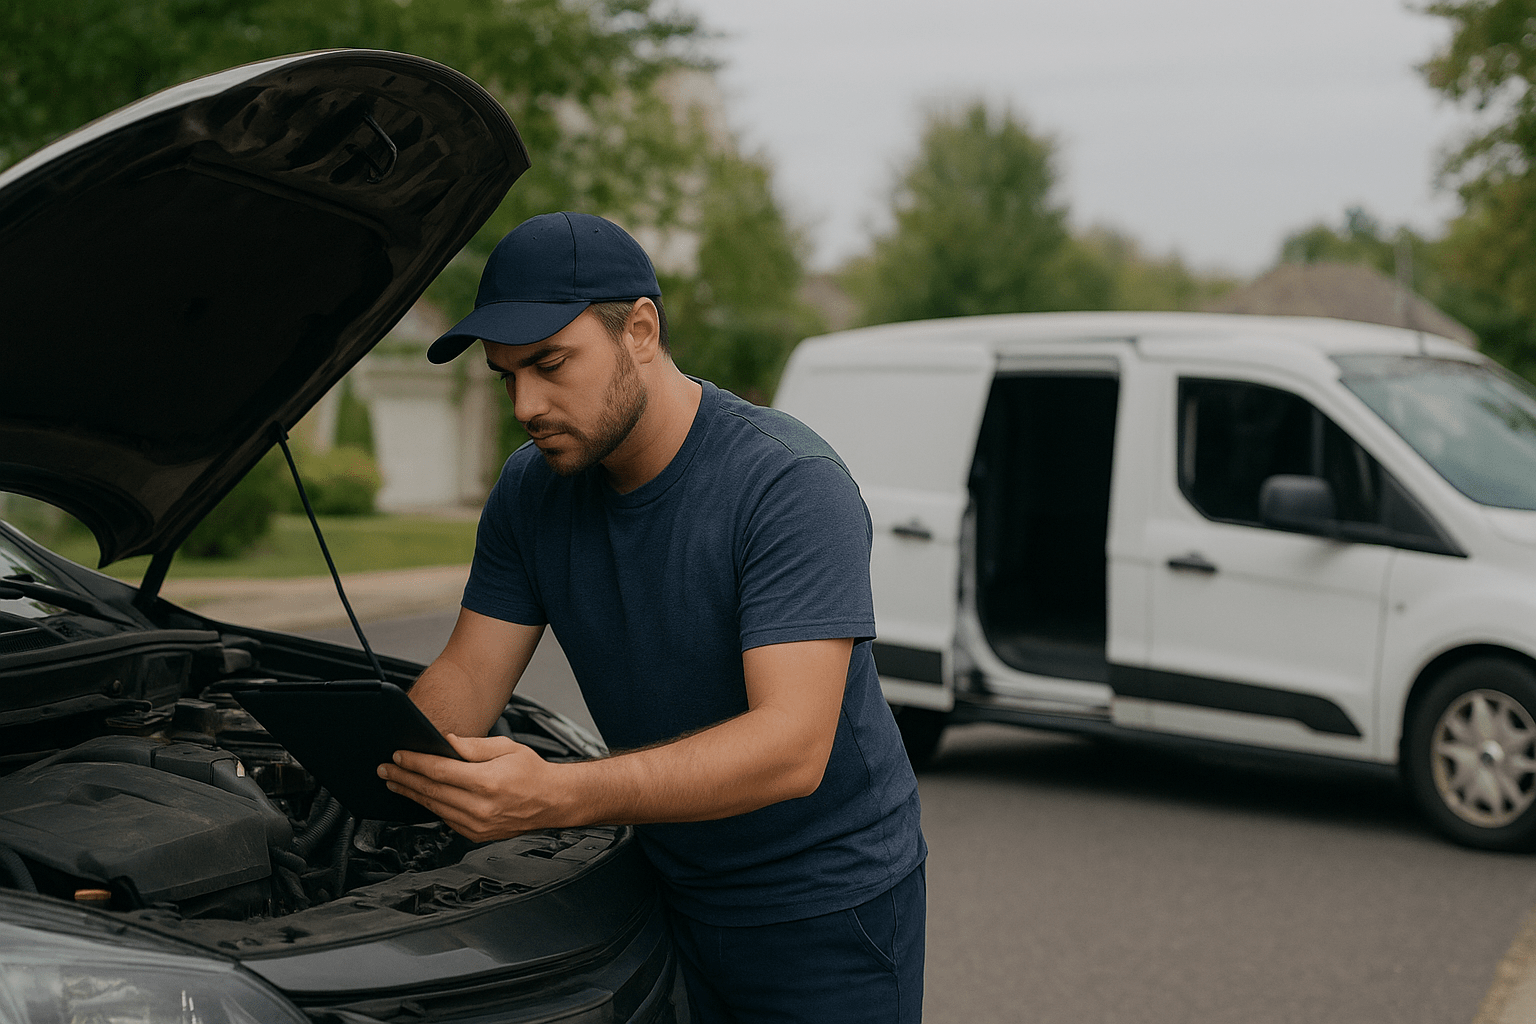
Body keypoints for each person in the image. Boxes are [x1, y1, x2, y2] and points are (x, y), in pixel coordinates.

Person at [377, 211, 927, 1022]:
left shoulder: (788, 484)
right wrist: (381, 770)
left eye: (551, 364)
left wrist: (556, 796)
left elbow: (792, 749)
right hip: (659, 888)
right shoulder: (532, 490)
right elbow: (467, 673)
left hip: (827, 906)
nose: (526, 404)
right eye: (507, 377)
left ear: (640, 329)